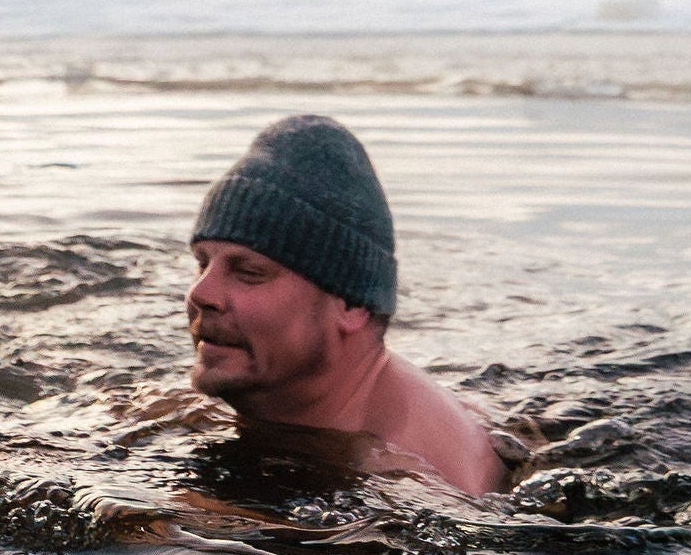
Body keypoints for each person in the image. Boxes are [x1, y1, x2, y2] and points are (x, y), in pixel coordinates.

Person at [185, 114, 504, 496]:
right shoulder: (310, 400)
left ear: (352, 304)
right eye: (202, 263)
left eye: (249, 271)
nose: (201, 293)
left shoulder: (407, 479)